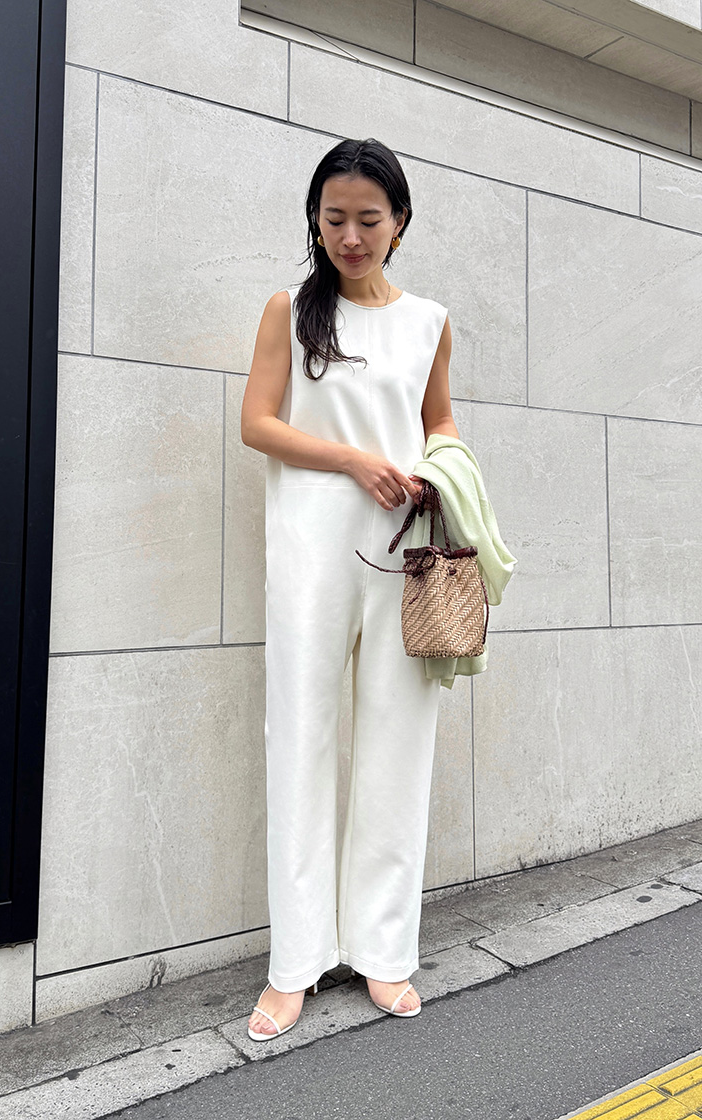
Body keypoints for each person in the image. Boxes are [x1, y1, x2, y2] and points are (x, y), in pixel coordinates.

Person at [240, 137, 460, 1041]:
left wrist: (445, 471)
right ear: (316, 220)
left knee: (399, 744)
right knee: (299, 737)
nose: (351, 236)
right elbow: (257, 424)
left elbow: (440, 421)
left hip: (407, 552)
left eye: (369, 219)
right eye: (335, 219)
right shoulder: (292, 312)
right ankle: (293, 964)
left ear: (400, 222)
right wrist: (352, 461)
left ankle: (383, 950)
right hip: (311, 552)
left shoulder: (429, 321)